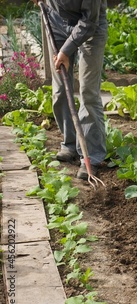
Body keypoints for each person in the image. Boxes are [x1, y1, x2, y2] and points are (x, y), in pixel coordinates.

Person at [35, 0, 108, 179]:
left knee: (88, 93)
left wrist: (66, 51)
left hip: (91, 26)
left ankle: (91, 156)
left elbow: (89, 21)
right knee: (60, 91)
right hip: (56, 22)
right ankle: (70, 142)